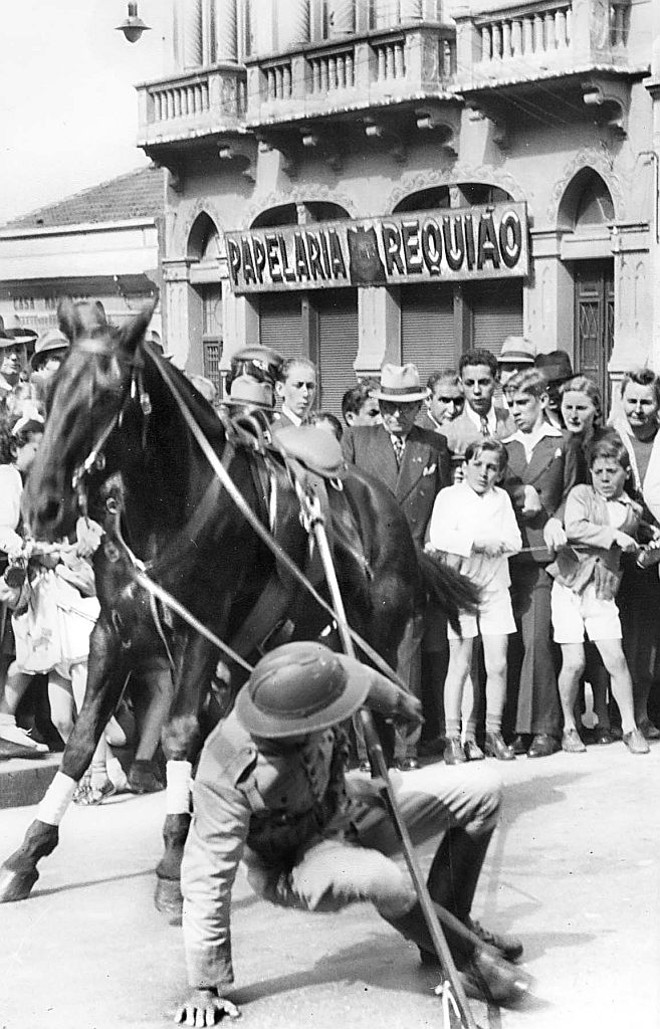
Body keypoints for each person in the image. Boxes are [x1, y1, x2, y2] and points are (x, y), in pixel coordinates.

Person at [175, 641, 526, 1026]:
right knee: (382, 879)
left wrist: (397, 703)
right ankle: (467, 960)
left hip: (346, 810)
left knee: (482, 791)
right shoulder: (225, 766)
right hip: (296, 864)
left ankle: (444, 929)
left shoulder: (306, 682)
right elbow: (206, 874)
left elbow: (347, 673)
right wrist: (205, 985)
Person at [342, 363, 451, 770]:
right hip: (366, 562)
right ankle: (362, 745)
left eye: (404, 408)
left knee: (408, 651)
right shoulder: (355, 439)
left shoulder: (434, 444)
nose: (395, 415)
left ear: (419, 408)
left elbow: (442, 500)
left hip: (414, 562)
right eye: (387, 406)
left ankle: (406, 747)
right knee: (362, 651)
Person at [547, 432, 649, 755]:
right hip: (568, 587)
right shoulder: (580, 495)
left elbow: (643, 541)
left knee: (616, 659)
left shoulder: (632, 510)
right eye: (599, 471)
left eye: (612, 471)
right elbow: (574, 527)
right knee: (574, 663)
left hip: (602, 592)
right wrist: (614, 536)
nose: (604, 478)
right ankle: (568, 726)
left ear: (625, 472)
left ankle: (630, 728)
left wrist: (649, 546)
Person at [428, 440, 521, 764]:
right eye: (478, 464)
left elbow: (514, 541)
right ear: (465, 465)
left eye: (492, 467)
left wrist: (497, 544)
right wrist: (478, 542)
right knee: (461, 663)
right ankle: (454, 738)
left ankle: (492, 734)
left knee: (497, 664)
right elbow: (438, 536)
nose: (484, 472)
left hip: (495, 588)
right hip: (461, 588)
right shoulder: (449, 497)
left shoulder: (502, 499)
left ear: (500, 472)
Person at [502, 369, 577, 758]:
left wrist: (553, 519)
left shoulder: (563, 442)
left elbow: (573, 491)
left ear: (542, 400)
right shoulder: (503, 445)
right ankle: (517, 727)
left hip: (544, 556)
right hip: (507, 556)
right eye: (510, 404)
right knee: (509, 644)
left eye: (522, 403)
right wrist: (520, 490)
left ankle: (543, 727)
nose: (515, 411)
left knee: (536, 640)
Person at [559, 376, 614, 744]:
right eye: (568, 407)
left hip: (602, 552)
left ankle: (606, 718)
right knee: (570, 647)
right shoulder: (560, 442)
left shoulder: (604, 443)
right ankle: (573, 720)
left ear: (596, 410)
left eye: (582, 407)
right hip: (568, 557)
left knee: (604, 642)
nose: (574, 414)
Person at [610, 368, 660, 738]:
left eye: (646, 401)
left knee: (651, 641)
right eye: (632, 400)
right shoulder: (611, 440)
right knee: (629, 639)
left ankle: (647, 712)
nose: (638, 409)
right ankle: (628, 716)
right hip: (623, 553)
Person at [443, 350, 515, 467]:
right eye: (469, 383)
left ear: (496, 382)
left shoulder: (513, 423)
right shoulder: (447, 435)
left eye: (483, 382)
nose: (476, 391)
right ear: (461, 385)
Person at [273, 358, 317, 429]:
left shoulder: (318, 429)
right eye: (298, 385)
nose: (305, 394)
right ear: (280, 388)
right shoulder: (272, 430)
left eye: (310, 386)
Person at [534, 351, 574, 430]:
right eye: (546, 386)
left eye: (557, 385)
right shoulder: (536, 424)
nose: (552, 393)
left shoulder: (576, 419)